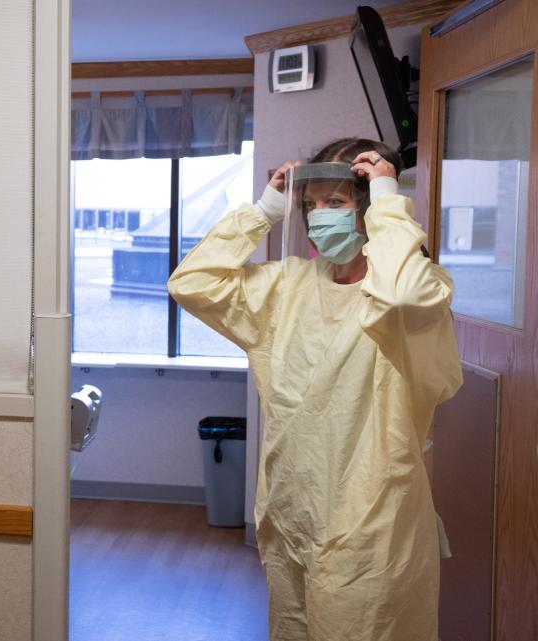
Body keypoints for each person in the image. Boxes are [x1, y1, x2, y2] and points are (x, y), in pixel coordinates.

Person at [168, 138, 462, 641]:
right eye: (310, 205)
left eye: (336, 203)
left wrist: (390, 196)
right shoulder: (288, 284)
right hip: (292, 516)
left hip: (369, 527)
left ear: (369, 210)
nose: (319, 216)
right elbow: (191, 283)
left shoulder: (417, 295)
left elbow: (399, 294)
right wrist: (264, 210)